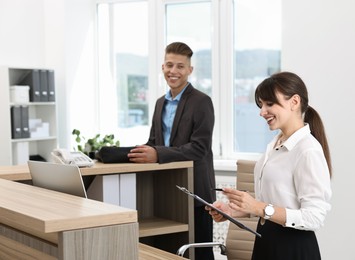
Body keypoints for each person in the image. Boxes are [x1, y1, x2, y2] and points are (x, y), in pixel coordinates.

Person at [207, 72, 332, 260]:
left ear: (294, 102)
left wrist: (258, 207)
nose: (262, 111)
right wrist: (234, 211)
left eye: (269, 104)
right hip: (266, 242)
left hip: (293, 249)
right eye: (261, 105)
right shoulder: (274, 144)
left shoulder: (307, 150)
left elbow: (314, 217)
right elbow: (274, 203)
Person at [128, 42, 216, 260]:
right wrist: (138, 152)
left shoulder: (202, 102)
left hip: (196, 191)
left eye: (180, 66)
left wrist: (158, 154)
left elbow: (199, 148)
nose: (173, 71)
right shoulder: (160, 103)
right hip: (166, 189)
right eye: (169, 65)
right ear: (162, 67)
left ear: (189, 70)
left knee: (199, 252)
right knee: (169, 250)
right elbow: (154, 141)